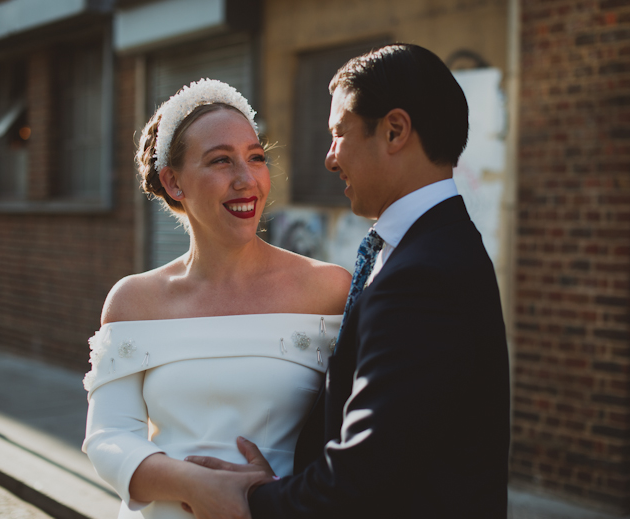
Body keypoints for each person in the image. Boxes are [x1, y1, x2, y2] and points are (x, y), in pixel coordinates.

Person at [186, 44, 511, 518]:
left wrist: (250, 500)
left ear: (394, 130)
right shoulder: (431, 246)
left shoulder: (425, 276)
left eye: (339, 133)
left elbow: (362, 473)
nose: (329, 158)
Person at [81, 78, 352, 519]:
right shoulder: (134, 300)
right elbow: (108, 437)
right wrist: (196, 485)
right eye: (220, 161)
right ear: (173, 183)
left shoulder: (327, 290)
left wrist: (277, 496)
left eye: (256, 157)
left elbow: (357, 441)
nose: (246, 180)